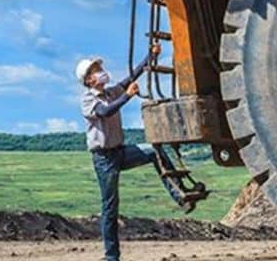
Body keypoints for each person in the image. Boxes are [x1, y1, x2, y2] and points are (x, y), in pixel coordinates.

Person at [76, 45, 195, 261]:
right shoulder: (88, 100)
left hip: (120, 151)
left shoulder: (111, 91)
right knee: (110, 207)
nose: (101, 71)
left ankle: (179, 195)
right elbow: (105, 111)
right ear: (88, 80)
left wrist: (150, 57)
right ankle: (111, 256)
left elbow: (131, 77)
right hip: (104, 159)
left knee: (153, 150)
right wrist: (128, 97)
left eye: (99, 67)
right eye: (95, 69)